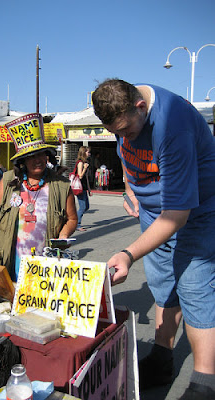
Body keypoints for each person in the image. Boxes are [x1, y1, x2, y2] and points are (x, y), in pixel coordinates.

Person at [92, 78, 215, 400]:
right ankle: (162, 359)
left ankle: (205, 382)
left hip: (195, 211)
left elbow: (176, 215)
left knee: (194, 286)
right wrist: (130, 189)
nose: (122, 137)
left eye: (127, 130)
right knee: (163, 283)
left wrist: (128, 254)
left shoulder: (174, 127)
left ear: (141, 107)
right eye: (115, 132)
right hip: (152, 213)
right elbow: (124, 150)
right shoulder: (126, 110)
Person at [0, 113, 77, 281]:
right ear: (23, 160)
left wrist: (63, 235)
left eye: (40, 154)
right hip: (12, 256)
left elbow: (72, 219)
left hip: (45, 261)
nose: (37, 160)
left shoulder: (61, 185)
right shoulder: (8, 180)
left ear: (47, 155)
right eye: (31, 156)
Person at [75, 146, 92, 232]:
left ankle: (75, 220)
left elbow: (86, 179)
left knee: (86, 207)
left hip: (84, 188)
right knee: (82, 207)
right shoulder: (80, 163)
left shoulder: (85, 162)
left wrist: (89, 190)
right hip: (79, 188)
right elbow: (80, 176)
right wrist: (85, 168)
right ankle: (77, 224)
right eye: (87, 152)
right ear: (83, 152)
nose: (89, 154)